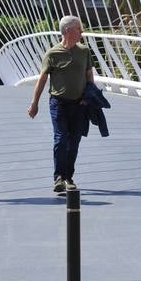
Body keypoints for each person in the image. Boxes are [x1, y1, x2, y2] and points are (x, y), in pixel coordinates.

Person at [28, 16, 94, 193]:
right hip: (59, 103)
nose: (81, 32)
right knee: (61, 138)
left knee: (74, 141)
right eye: (79, 29)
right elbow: (42, 79)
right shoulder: (52, 53)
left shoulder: (84, 51)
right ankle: (58, 177)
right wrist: (34, 103)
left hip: (79, 103)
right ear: (67, 31)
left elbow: (89, 76)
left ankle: (68, 177)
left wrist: (89, 96)